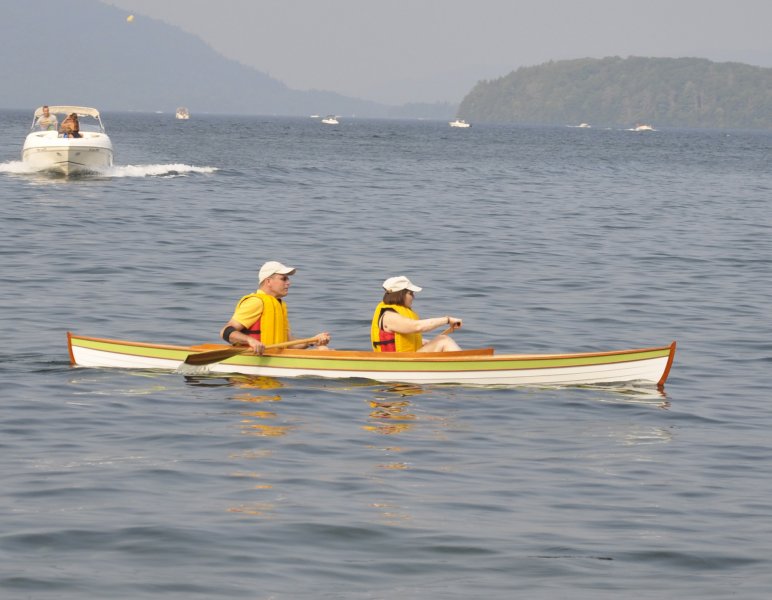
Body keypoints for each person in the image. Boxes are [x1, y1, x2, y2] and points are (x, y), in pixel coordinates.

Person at [219, 261, 331, 355]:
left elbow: (288, 342)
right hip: (250, 360)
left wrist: (312, 341)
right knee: (324, 352)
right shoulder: (256, 302)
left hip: (274, 358)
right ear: (268, 281)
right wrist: (250, 340)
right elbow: (226, 331)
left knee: (323, 350)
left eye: (288, 279)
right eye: (284, 279)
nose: (288, 283)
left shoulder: (280, 305)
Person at [370, 276, 462, 353]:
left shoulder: (394, 313)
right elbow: (417, 326)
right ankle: (465, 366)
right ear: (400, 294)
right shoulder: (389, 316)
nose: (413, 297)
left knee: (431, 341)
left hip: (405, 360)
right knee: (443, 340)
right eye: (410, 293)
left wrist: (422, 342)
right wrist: (447, 320)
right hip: (399, 363)